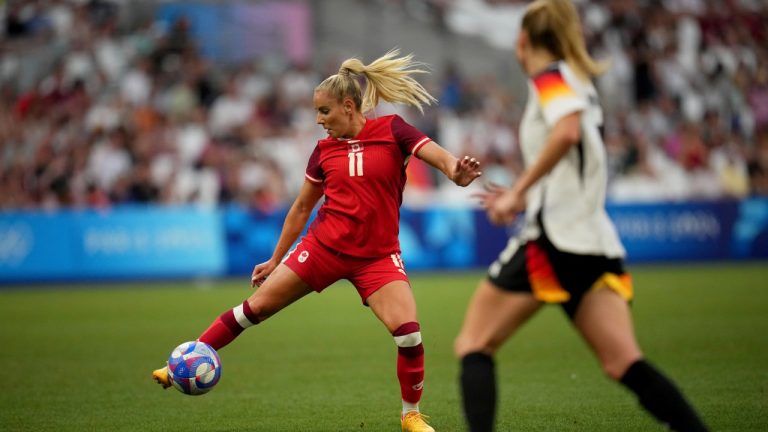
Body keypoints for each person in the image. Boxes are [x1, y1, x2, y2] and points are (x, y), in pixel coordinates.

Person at [152, 49, 482, 432]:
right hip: (322, 249)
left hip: (377, 257)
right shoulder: (323, 151)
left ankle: (410, 415)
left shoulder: (393, 131)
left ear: (347, 105)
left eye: (324, 112)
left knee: (409, 334)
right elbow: (299, 209)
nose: (319, 120)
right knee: (252, 310)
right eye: (316, 113)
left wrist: (456, 172)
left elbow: (439, 158)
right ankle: (182, 363)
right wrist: (276, 259)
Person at [453, 1, 709, 431]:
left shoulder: (549, 77)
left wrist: (518, 193)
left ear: (523, 40)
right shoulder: (578, 82)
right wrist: (523, 192)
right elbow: (574, 148)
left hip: (554, 240)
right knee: (623, 362)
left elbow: (567, 133)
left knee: (474, 344)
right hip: (591, 241)